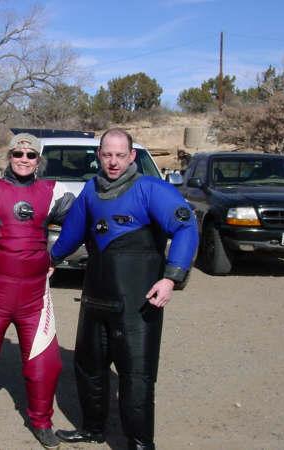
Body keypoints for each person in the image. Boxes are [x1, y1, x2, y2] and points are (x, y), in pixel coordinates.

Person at [50, 128, 198, 450]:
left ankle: (140, 443)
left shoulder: (150, 189)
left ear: (132, 156)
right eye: (107, 155)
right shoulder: (90, 190)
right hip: (95, 299)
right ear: (99, 156)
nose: (113, 162)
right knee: (88, 368)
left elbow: (186, 226)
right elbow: (71, 235)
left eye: (120, 155)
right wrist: (49, 260)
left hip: (138, 304)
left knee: (137, 377)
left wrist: (171, 277)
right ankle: (92, 429)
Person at [0, 133, 75, 450]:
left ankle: (42, 422)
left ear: (39, 159)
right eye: (18, 153)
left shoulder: (53, 192)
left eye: (31, 155)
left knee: (45, 365)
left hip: (35, 296)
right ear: (9, 156)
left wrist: (56, 257)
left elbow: (81, 223)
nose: (24, 159)